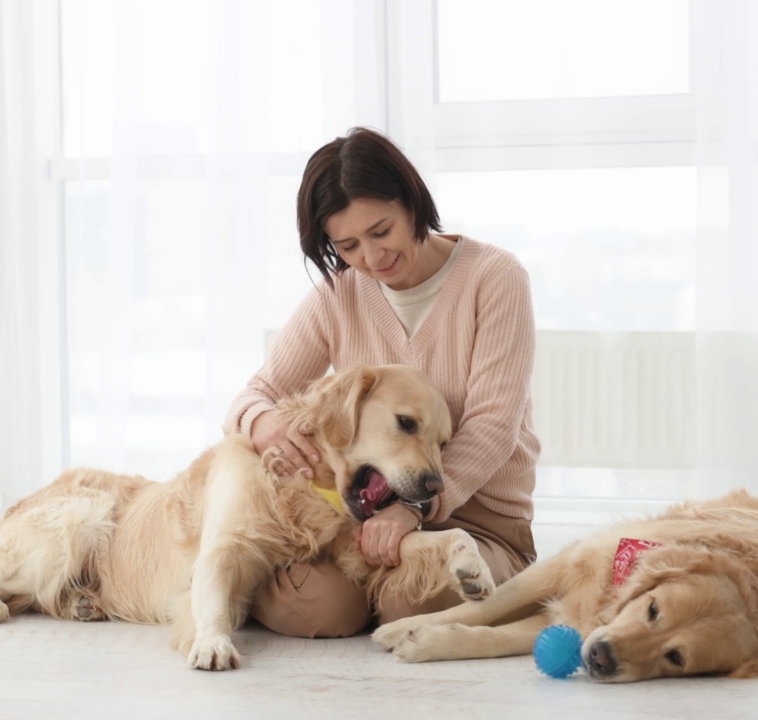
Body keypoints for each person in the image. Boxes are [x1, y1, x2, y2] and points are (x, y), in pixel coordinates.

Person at [224, 127, 539, 638]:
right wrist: (262, 424)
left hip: (477, 524)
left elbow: (493, 426)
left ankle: (404, 594)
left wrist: (413, 511)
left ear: (412, 202)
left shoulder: (495, 278)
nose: (371, 258)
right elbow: (254, 394)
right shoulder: (339, 294)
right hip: (356, 530)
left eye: (381, 231)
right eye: (347, 245)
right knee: (317, 607)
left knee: (412, 602)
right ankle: (346, 597)